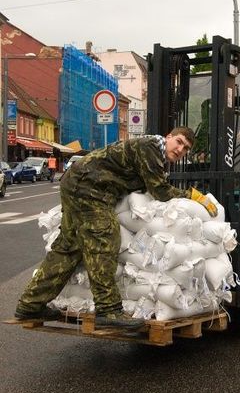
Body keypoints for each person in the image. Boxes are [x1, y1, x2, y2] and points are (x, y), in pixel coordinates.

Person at [14, 127, 218, 328]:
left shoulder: (154, 153)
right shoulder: (151, 148)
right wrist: (193, 196)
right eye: (179, 142)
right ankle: (108, 310)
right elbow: (160, 191)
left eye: (186, 149)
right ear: (169, 137)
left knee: (68, 247)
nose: (180, 149)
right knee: (104, 239)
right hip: (89, 187)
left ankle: (31, 304)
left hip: (81, 183)